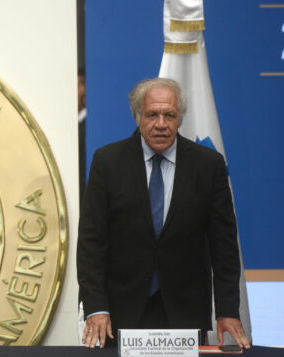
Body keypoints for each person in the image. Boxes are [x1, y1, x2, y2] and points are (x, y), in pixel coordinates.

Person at [77, 78, 250, 349]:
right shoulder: (107, 162)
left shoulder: (208, 166)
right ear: (137, 117)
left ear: (180, 118)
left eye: (169, 115)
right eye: (152, 115)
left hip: (186, 312)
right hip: (120, 312)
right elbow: (91, 242)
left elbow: (224, 247)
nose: (161, 124)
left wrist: (227, 309)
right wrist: (96, 307)